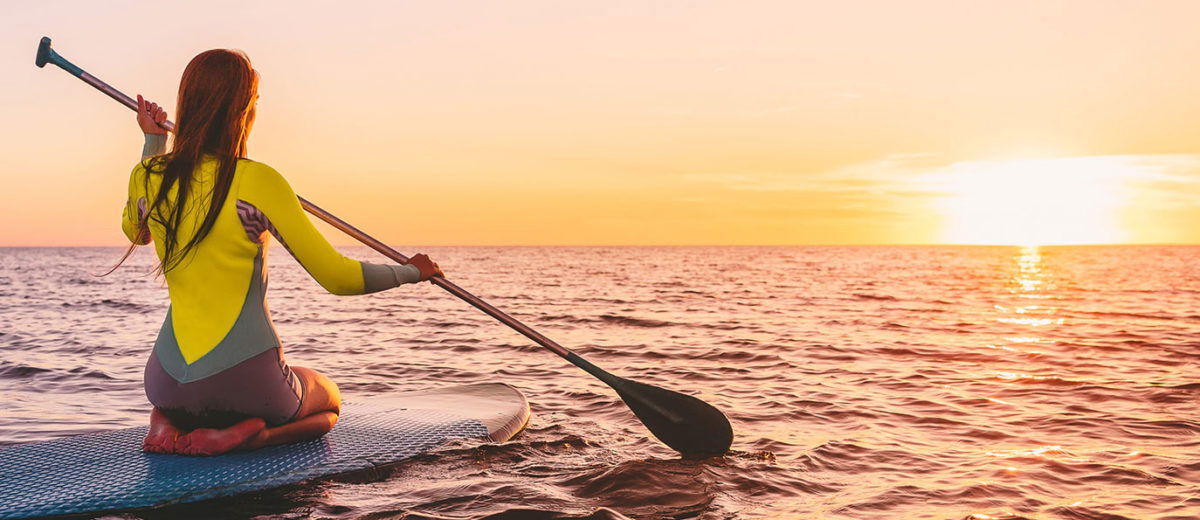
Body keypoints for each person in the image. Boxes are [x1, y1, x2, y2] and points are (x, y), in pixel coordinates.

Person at [121, 49, 442, 456]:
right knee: (328, 402)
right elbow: (338, 277)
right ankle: (249, 435)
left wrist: (153, 143)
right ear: (243, 109)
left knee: (192, 395)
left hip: (163, 382)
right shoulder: (259, 181)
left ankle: (166, 419)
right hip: (247, 385)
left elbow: (137, 231)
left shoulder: (149, 175)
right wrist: (410, 272)